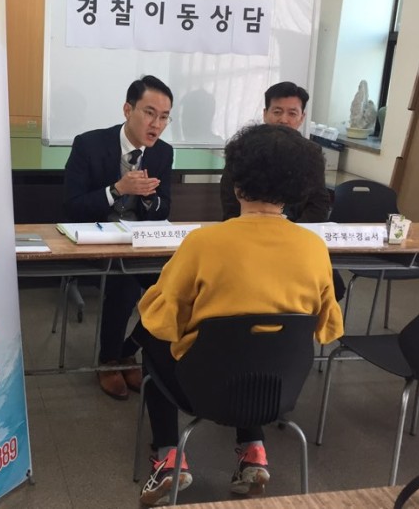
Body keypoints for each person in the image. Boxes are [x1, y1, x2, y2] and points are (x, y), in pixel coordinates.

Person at [134, 123, 343, 505]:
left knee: (152, 343)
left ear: (236, 182)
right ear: (299, 188)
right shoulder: (314, 248)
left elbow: (160, 317)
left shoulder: (203, 243)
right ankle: (253, 452)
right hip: (277, 389)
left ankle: (169, 459)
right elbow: (329, 328)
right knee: (257, 346)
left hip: (204, 387)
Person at [63, 75, 174, 400]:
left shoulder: (163, 153)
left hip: (140, 242)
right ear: (128, 110)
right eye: (149, 113)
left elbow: (165, 206)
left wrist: (148, 199)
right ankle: (109, 361)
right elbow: (71, 206)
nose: (156, 124)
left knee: (176, 284)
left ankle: (129, 350)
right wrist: (116, 190)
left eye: (164, 117)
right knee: (125, 285)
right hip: (95, 240)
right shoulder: (89, 144)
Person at [220, 81, 346, 301]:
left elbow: (319, 203)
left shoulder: (311, 153)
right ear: (265, 114)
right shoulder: (245, 149)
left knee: (333, 287)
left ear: (302, 118)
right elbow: (230, 200)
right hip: (246, 237)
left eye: (292, 113)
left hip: (297, 238)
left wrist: (291, 234)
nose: (284, 119)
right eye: (277, 112)